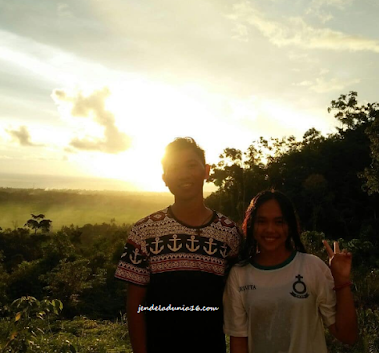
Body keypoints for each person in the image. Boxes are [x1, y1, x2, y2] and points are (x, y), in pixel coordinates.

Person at [115, 137, 241, 353]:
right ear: (165, 178)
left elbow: (238, 302)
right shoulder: (144, 231)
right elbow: (135, 304)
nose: (184, 174)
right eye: (174, 168)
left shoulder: (229, 233)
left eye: (191, 165)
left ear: (207, 171)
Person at [223, 190, 358, 353]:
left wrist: (342, 280)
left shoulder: (312, 267)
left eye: (279, 222)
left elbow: (347, 336)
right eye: (262, 221)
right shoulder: (239, 275)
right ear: (251, 225)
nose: (270, 229)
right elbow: (238, 342)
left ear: (290, 226)